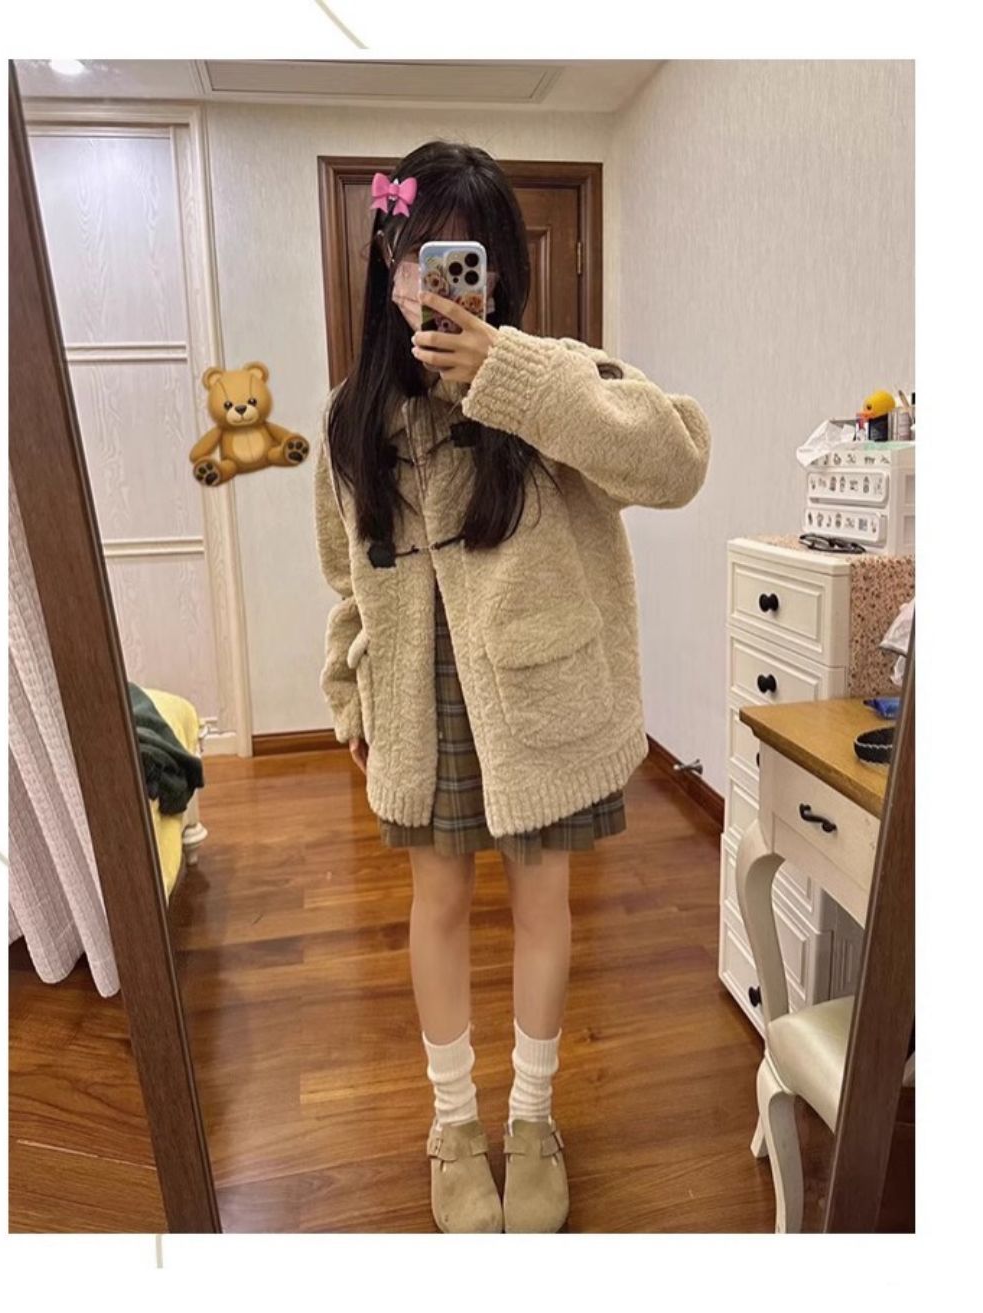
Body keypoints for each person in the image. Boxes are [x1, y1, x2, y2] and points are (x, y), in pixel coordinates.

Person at [313, 139, 711, 1233]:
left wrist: (513, 373)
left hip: (541, 695)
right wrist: (350, 694)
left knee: (543, 900)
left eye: (468, 259)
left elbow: (677, 460)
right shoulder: (351, 418)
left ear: (498, 273)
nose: (443, 282)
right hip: (419, 696)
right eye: (423, 254)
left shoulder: (551, 378)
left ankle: (532, 1119)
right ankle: (454, 1125)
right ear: (389, 262)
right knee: (436, 903)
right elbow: (347, 580)